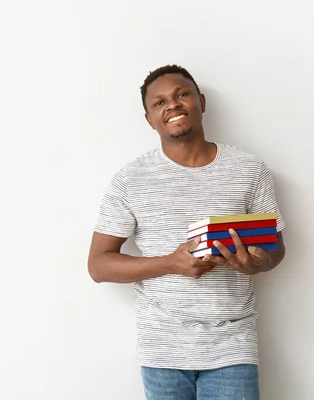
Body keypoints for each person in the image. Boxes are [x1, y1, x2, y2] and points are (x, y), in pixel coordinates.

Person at [87, 64, 286, 400]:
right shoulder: (130, 179)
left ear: (201, 101)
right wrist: (170, 262)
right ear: (150, 119)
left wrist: (256, 264)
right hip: (163, 348)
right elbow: (98, 265)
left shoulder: (250, 169)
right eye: (159, 102)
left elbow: (277, 248)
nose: (173, 105)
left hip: (232, 344)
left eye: (182, 95)